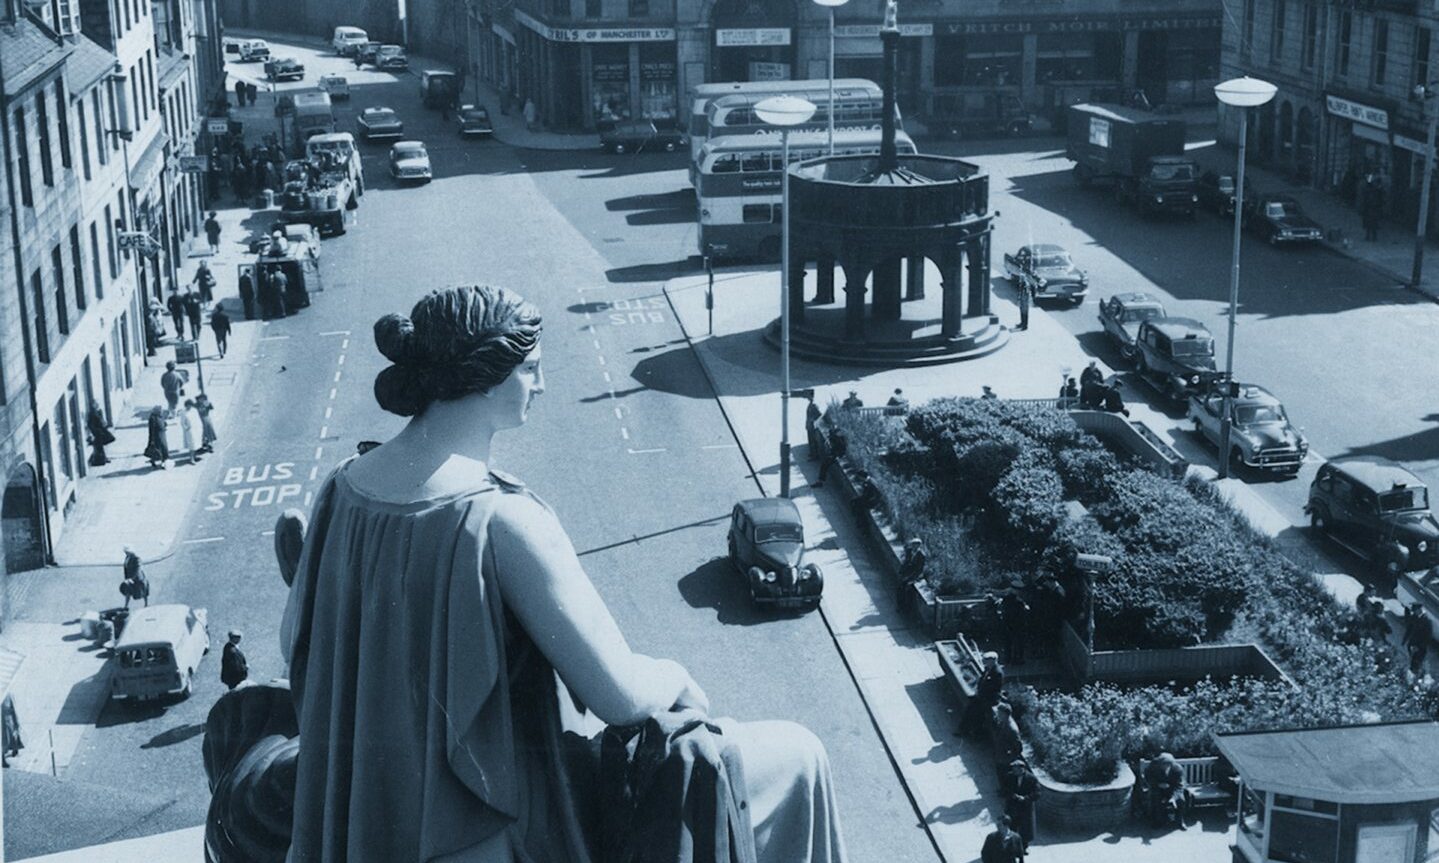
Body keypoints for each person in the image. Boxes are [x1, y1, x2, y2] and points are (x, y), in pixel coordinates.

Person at [281, 285, 848, 861]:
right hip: (487, 830)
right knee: (801, 756)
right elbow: (620, 696)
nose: (542, 384)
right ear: (485, 376)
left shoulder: (341, 485)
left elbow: (293, 644)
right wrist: (675, 674)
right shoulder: (501, 519)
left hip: (358, 821)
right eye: (530, 368)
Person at [961, 652, 1004, 738]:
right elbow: (982, 680)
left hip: (990, 698)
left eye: (986, 660)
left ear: (993, 660)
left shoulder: (997, 673)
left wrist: (981, 694)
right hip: (982, 695)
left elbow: (994, 688)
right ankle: (963, 729)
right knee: (970, 706)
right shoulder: (988, 669)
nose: (984, 661)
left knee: (979, 711)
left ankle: (977, 733)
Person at [1000, 758, 1039, 849]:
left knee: (1025, 828)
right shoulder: (1009, 776)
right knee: (1012, 825)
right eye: (1013, 769)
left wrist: (1025, 798)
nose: (1014, 771)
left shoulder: (1031, 779)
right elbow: (1004, 789)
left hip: (1025, 807)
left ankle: (1024, 846)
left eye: (1016, 769)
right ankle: (1012, 845)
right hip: (1012, 806)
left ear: (1022, 769)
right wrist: (1012, 795)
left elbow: (1037, 793)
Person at [1144, 752, 1189, 829]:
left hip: (1173, 789)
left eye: (1169, 764)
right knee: (1156, 798)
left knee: (1181, 800)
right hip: (1158, 788)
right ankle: (1158, 821)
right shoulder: (1153, 766)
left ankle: (1180, 821)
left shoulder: (1178, 769)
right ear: (1160, 763)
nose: (1166, 766)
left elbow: (1180, 785)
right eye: (1164, 764)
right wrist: (1158, 784)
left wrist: (1173, 798)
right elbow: (1148, 777)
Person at [998, 589, 1031, 665]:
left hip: (1007, 624)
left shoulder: (1005, 601)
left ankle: (1007, 659)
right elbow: (1024, 613)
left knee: (1007, 643)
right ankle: (1018, 659)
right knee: (1019, 643)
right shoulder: (1019, 602)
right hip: (1018, 625)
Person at [991, 701, 1023, 766]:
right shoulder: (1002, 721)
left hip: (1006, 760)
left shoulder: (1012, 729)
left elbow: (1018, 748)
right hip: (999, 756)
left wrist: (1009, 756)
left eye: (999, 713)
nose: (997, 714)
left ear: (1004, 714)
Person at [897, 537, 926, 607]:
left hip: (914, 574)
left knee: (908, 588)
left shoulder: (921, 555)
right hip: (907, 572)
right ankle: (900, 604)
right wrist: (901, 572)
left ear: (919, 546)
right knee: (900, 587)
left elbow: (919, 569)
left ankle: (907, 606)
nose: (914, 546)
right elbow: (906, 562)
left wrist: (911, 578)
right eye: (913, 544)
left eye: (916, 545)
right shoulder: (909, 551)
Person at [1403, 602, 1430, 676]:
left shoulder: (1426, 622)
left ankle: (1415, 676)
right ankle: (1410, 674)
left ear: (1419, 610)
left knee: (1416, 663)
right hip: (1412, 644)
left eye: (1415, 610)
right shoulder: (1414, 617)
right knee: (1411, 661)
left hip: (1420, 648)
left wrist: (1418, 647)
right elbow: (1409, 629)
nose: (1414, 612)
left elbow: (1427, 637)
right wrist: (1404, 641)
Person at [1, 693, 21, 768]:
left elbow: (14, 710)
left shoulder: (8, 695)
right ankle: (2, 760)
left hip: (8, 721)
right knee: (4, 741)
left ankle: (15, 748)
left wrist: (16, 721)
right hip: (4, 722)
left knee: (12, 736)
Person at [178, 399, 201, 464]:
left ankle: (195, 456)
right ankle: (191, 459)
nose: (189, 407)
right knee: (192, 445)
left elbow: (197, 419)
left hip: (196, 429)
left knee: (196, 444)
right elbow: (182, 422)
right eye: (188, 405)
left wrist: (200, 427)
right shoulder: (183, 412)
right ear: (186, 405)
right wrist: (186, 428)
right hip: (189, 431)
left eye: (190, 405)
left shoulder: (194, 410)